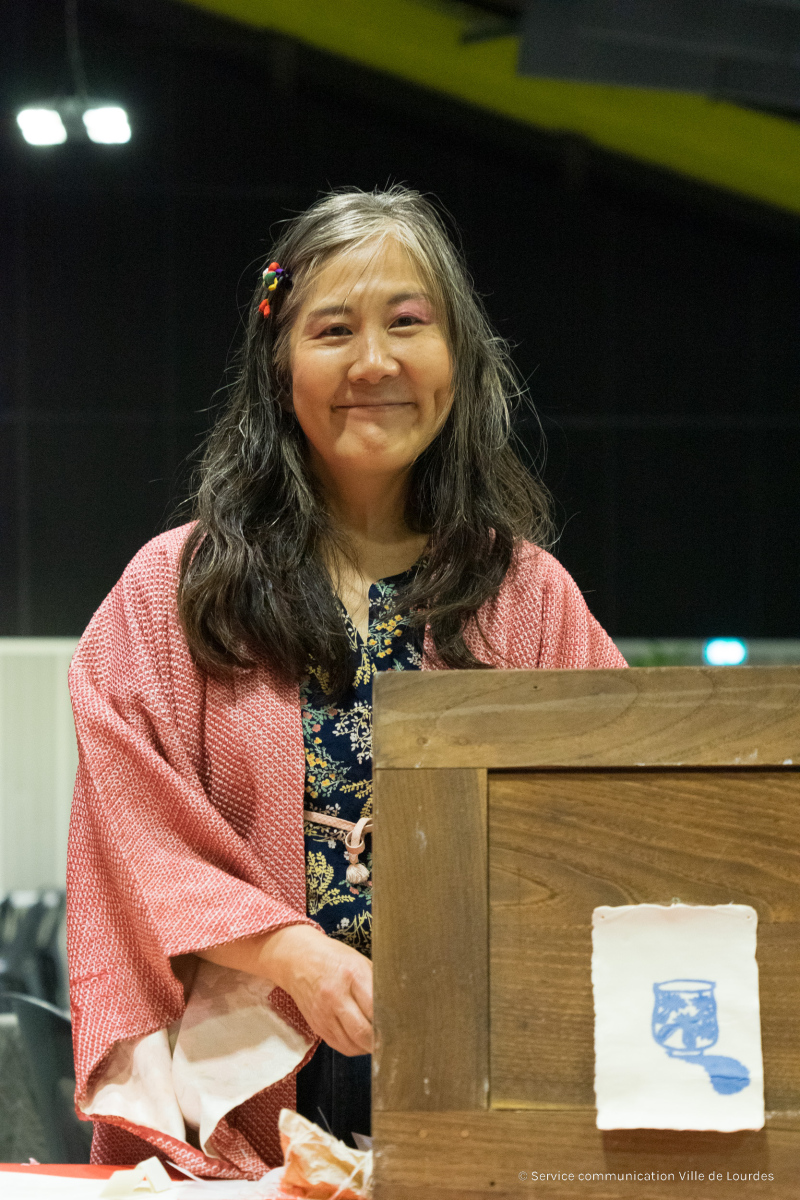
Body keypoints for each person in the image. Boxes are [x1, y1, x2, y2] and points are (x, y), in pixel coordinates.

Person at [67, 186, 626, 1180]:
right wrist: (290, 951)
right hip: (243, 1080)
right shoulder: (175, 590)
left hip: (482, 1075)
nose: (373, 362)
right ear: (279, 364)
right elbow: (131, 823)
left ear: (459, 357)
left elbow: (617, 812)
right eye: (333, 330)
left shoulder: (527, 594)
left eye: (407, 322)